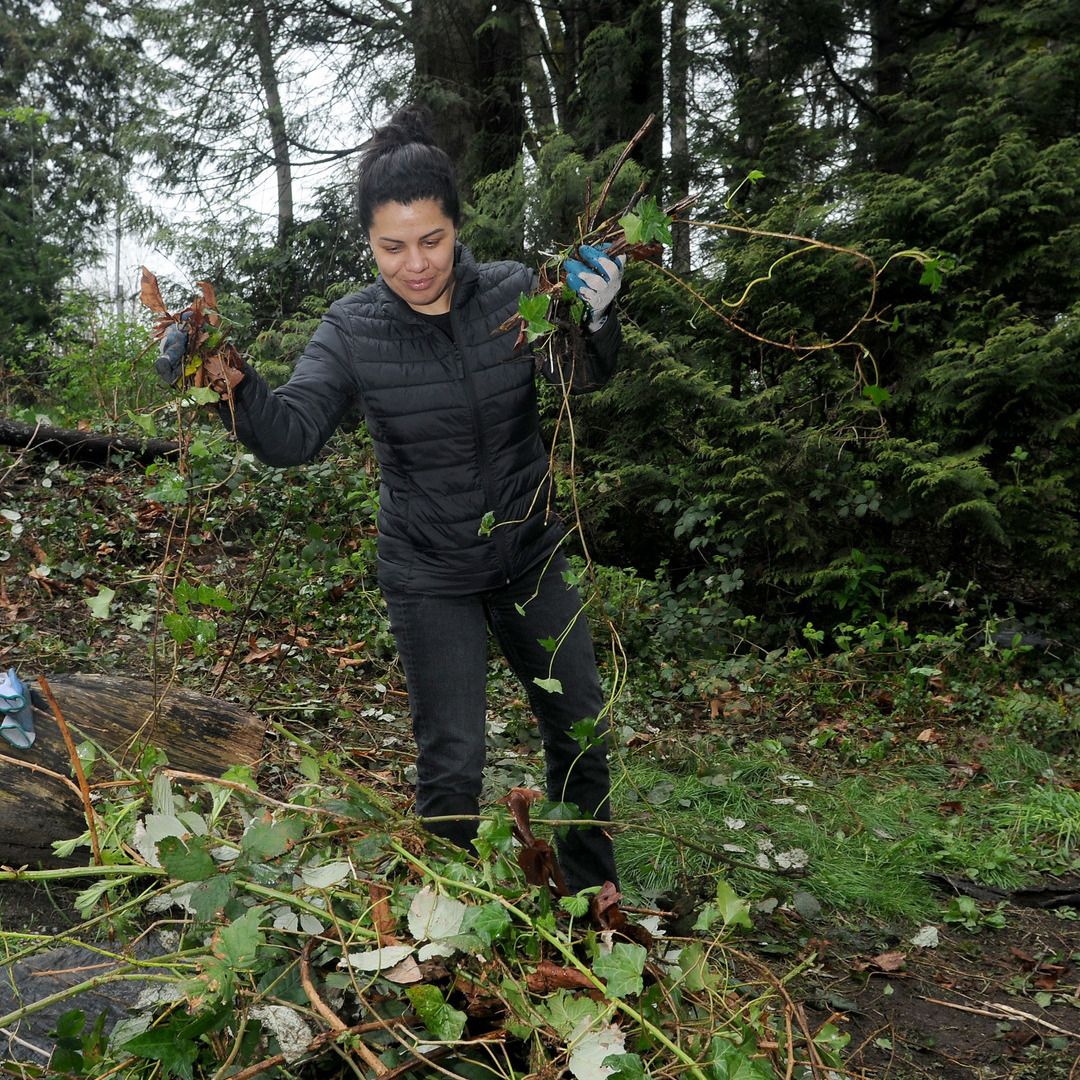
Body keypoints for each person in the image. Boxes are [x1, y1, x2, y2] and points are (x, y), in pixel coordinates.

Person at [158, 105, 626, 892]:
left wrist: (599, 316)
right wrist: (223, 379)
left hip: (530, 553)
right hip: (427, 570)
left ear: (456, 226)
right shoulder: (352, 329)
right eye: (393, 247)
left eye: (433, 241)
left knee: (580, 729)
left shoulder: (512, 292)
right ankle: (447, 926)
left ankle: (592, 901)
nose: (416, 265)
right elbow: (292, 436)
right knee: (452, 760)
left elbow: (580, 376)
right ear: (370, 243)